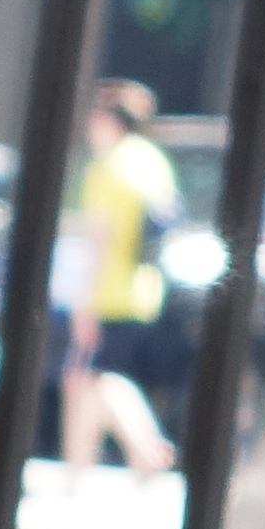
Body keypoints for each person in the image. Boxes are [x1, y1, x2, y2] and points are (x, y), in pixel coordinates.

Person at [57, 81, 184, 480]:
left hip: (108, 292)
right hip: (144, 292)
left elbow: (98, 240)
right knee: (86, 379)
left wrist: (84, 302)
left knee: (95, 378)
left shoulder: (107, 168)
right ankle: (77, 470)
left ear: (110, 120)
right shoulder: (152, 160)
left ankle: (146, 447)